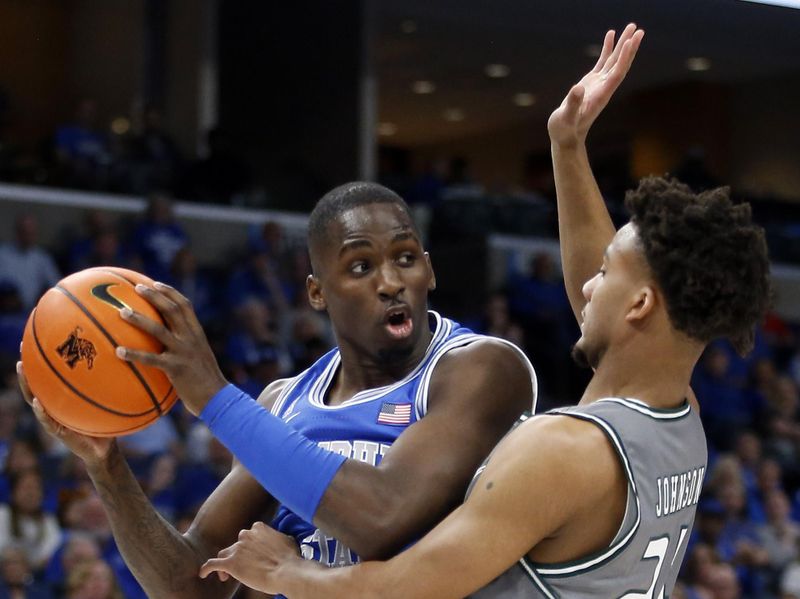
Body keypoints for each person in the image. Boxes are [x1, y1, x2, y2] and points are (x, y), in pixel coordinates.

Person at [197, 24, 771, 598]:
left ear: (640, 304)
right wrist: (567, 147)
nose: (588, 285)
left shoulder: (561, 450)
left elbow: (401, 589)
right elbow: (612, 312)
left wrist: (288, 574)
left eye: (605, 273)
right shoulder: (679, 418)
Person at [18, 181, 536, 598]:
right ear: (316, 292)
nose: (390, 281)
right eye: (361, 266)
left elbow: (385, 518)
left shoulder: (481, 368)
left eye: (405, 258)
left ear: (429, 269)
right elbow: (191, 588)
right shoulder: (284, 404)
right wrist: (105, 465)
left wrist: (215, 401)